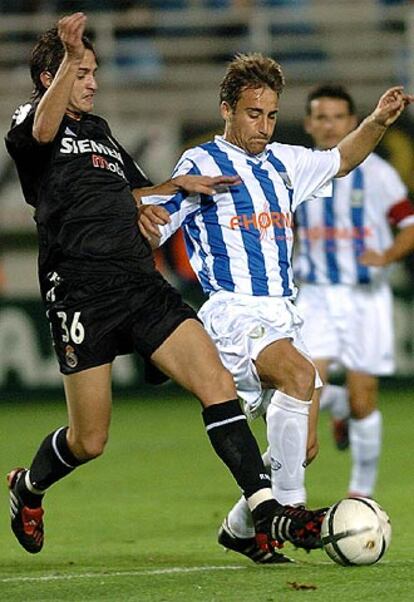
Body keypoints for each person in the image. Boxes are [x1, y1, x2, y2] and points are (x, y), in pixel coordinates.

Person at [4, 13, 325, 557]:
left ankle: (267, 514)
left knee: (217, 385)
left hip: (138, 283)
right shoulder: (33, 124)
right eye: (82, 72)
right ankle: (28, 487)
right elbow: (39, 131)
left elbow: (136, 194)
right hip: (80, 292)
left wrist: (173, 186)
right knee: (90, 440)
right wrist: (67, 51)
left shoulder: (101, 133)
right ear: (50, 77)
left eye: (93, 72)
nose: (93, 81)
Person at [138, 53, 412, 563]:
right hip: (232, 312)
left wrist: (375, 121)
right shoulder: (201, 164)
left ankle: (241, 527)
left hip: (283, 313)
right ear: (226, 110)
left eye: (270, 115)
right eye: (251, 114)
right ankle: (288, 516)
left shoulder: (284, 162)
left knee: (300, 448)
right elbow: (154, 224)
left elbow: (341, 159)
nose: (262, 126)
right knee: (297, 374)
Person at [294, 84, 414, 498]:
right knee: (301, 389)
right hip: (314, 295)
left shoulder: (378, 174)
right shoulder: (298, 170)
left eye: (337, 117)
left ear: (351, 121)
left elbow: (410, 225)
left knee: (365, 399)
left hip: (366, 297)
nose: (329, 125)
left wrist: (386, 255)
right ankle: (291, 496)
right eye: (321, 117)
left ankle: (360, 495)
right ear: (309, 123)